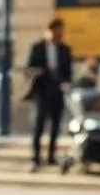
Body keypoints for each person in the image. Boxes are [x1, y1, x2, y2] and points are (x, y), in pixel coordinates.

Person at [25, 18, 73, 172]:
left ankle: (51, 155)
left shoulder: (65, 49)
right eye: (57, 30)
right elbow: (29, 69)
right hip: (43, 90)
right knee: (39, 125)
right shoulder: (38, 47)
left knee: (56, 124)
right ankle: (36, 157)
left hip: (58, 90)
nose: (60, 33)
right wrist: (39, 73)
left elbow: (68, 71)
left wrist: (65, 82)